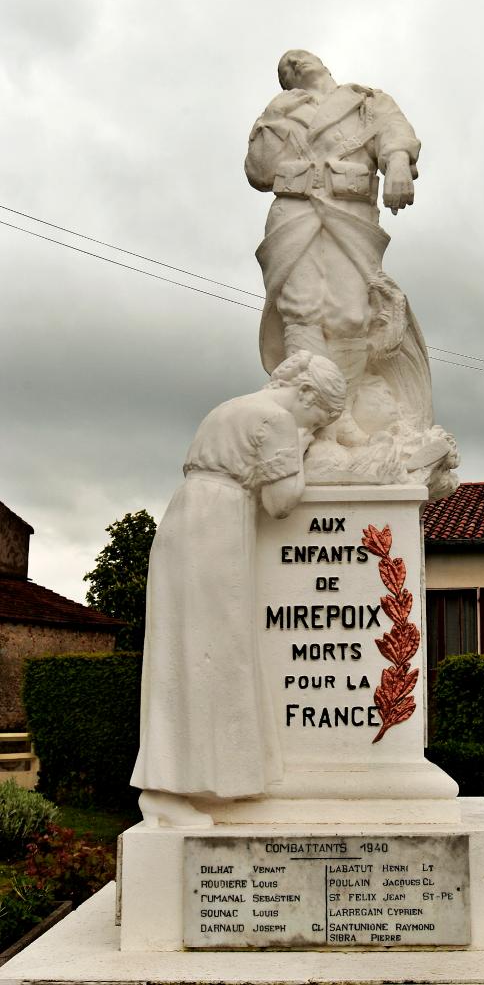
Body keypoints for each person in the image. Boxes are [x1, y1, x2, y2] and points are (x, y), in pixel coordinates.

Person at [131, 351, 346, 827]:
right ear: (307, 394)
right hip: (216, 529)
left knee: (183, 656)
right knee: (208, 657)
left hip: (189, 518)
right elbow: (281, 501)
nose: (318, 424)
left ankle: (183, 783)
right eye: (321, 416)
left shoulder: (229, 407)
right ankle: (167, 791)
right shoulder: (277, 419)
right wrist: (306, 443)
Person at [245, 50, 433, 446]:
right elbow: (259, 173)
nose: (292, 63)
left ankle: (341, 413)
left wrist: (397, 163)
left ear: (324, 64)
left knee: (351, 314)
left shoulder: (364, 100)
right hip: (293, 214)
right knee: (301, 311)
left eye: (299, 57)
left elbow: (395, 132)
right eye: (284, 67)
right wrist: (274, 119)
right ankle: (316, 425)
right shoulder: (279, 110)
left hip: (349, 210)